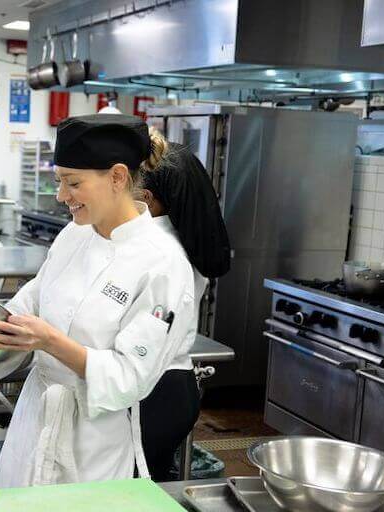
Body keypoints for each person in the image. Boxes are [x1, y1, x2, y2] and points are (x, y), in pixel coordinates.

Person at [0, 114, 196, 488]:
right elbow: (36, 293)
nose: (61, 195)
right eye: (59, 181)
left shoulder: (162, 265)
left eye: (73, 183)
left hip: (93, 437)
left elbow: (130, 378)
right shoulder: (74, 234)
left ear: (117, 177)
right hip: (36, 416)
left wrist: (49, 341)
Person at [137, 139, 232, 480]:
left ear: (146, 200)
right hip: (162, 391)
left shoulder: (160, 252)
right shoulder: (169, 238)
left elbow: (139, 343)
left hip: (154, 394)